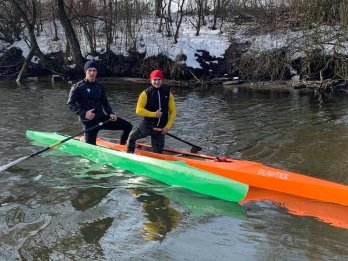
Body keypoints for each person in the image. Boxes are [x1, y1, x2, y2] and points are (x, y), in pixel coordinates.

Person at [67, 60, 132, 145]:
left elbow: (105, 102)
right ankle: (86, 140)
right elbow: (70, 104)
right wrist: (84, 113)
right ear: (85, 72)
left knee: (128, 126)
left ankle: (122, 145)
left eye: (94, 70)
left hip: (101, 119)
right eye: (89, 70)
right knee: (90, 149)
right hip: (89, 122)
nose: (92, 73)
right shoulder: (77, 87)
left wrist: (110, 113)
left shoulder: (100, 86)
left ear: (97, 72)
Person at [127, 69, 176, 154]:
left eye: (159, 79)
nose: (157, 82)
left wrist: (167, 127)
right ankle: (129, 156)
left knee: (158, 153)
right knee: (131, 137)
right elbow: (138, 110)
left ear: (162, 80)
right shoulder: (145, 93)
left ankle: (155, 159)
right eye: (155, 80)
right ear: (151, 80)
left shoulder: (168, 94)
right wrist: (154, 114)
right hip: (147, 126)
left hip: (160, 128)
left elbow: (173, 112)